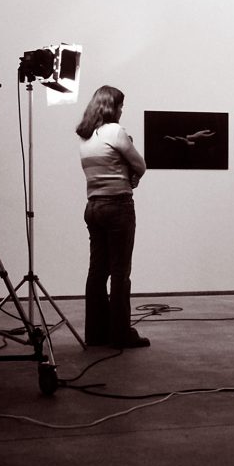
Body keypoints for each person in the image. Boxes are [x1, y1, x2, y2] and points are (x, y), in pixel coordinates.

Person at [76, 85, 149, 348]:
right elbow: (141, 165)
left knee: (97, 271)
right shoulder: (116, 132)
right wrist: (132, 173)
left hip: (93, 207)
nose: (121, 110)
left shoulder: (85, 137)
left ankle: (96, 334)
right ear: (111, 107)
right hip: (117, 206)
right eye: (120, 106)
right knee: (120, 272)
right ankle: (120, 333)